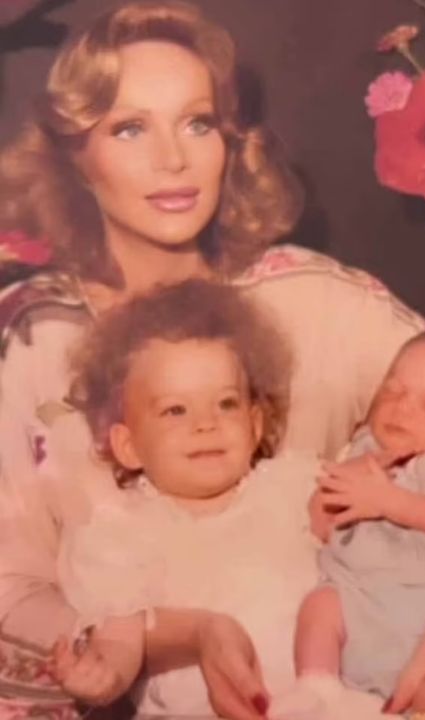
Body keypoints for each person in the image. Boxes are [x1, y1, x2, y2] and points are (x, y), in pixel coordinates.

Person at [0, 2, 425, 719]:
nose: (174, 159)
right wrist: (167, 636)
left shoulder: (306, 296)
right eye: (130, 128)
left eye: (197, 123)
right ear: (76, 158)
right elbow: (9, 586)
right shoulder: (31, 336)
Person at [52, 278, 326, 717]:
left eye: (226, 404)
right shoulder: (123, 533)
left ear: (255, 424)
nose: (205, 424)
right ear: (129, 446)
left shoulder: (293, 489)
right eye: (175, 410)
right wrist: (100, 678)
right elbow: (122, 641)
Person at [271, 327, 425, 719]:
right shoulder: (364, 447)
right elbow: (320, 526)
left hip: (423, 613)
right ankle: (318, 689)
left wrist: (389, 501)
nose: (402, 408)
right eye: (394, 391)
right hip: (356, 596)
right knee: (320, 604)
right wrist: (334, 493)